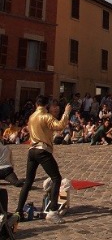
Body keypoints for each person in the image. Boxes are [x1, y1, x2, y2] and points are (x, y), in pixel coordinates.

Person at [16, 95, 71, 224]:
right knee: (56, 178)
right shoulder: (46, 116)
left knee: (28, 181)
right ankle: (53, 211)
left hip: (32, 150)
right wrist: (66, 112)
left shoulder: (32, 116)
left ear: (36, 104)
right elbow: (60, 125)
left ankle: (18, 211)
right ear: (46, 105)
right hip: (43, 150)